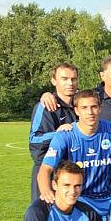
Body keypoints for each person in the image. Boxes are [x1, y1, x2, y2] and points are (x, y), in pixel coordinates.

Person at [37, 90, 111, 220]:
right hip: (79, 198)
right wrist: (45, 190)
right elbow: (45, 168)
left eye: (94, 107)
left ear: (100, 108)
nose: (90, 112)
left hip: (107, 198)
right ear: (76, 111)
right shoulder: (65, 135)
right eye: (84, 108)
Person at [29, 62, 78, 201]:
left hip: (73, 173)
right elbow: (34, 140)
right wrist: (57, 134)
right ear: (54, 81)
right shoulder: (45, 106)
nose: (70, 83)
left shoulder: (81, 104)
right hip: (48, 171)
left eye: (73, 79)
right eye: (64, 79)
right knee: (47, 217)